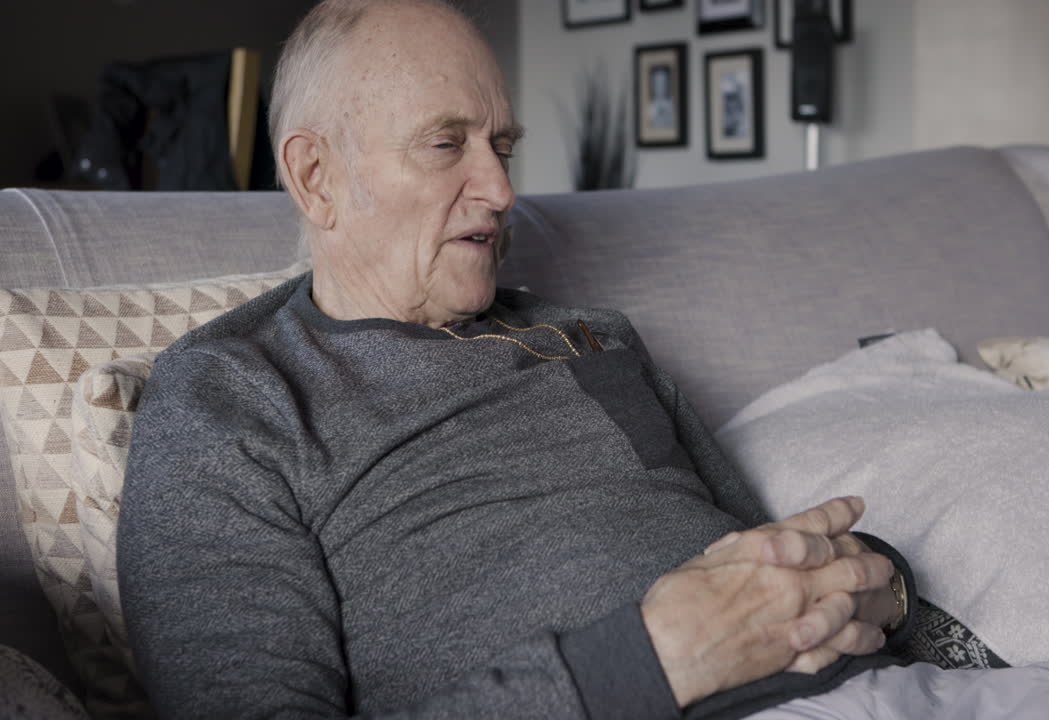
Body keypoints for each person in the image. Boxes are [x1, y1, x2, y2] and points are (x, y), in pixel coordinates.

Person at [118, 2, 913, 718]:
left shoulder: (593, 333)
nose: (501, 189)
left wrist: (881, 587)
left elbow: (761, 545)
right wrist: (656, 659)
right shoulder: (229, 397)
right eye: (445, 144)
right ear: (316, 177)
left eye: (501, 145)